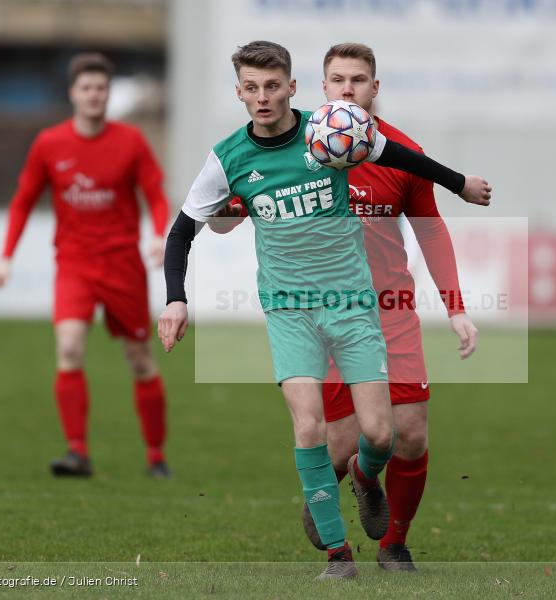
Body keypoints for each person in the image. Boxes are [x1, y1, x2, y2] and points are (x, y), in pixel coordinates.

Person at [158, 41, 490, 580]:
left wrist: (458, 188)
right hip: (295, 309)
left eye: (358, 80)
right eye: (338, 79)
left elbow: (423, 208)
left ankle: (386, 527)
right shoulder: (264, 149)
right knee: (319, 434)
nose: (347, 90)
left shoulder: (352, 140)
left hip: (374, 306)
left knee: (393, 434)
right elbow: (213, 216)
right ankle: (338, 552)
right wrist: (182, 286)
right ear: (320, 85)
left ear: (372, 88)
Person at [0, 52, 172, 478]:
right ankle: (77, 453)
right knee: (69, 348)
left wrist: (158, 233)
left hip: (122, 265)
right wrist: (6, 256)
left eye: (101, 88)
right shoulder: (49, 144)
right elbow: (22, 201)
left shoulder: (130, 141)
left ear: (108, 94)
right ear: (73, 93)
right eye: (87, 88)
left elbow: (157, 194)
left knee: (140, 360)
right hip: (73, 263)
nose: (94, 95)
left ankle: (155, 455)